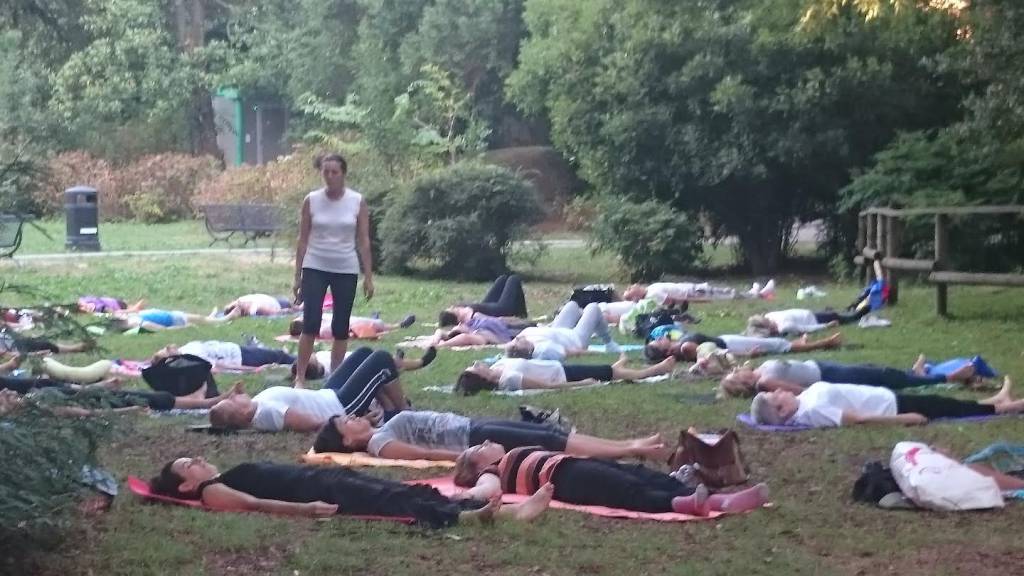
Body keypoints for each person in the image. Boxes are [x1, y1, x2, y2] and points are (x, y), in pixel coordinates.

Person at [149, 456, 553, 528]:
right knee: (391, 503)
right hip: (319, 493)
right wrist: (307, 511)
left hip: (323, 480)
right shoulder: (211, 492)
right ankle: (483, 516)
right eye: (188, 465)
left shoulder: (221, 477)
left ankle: (473, 501)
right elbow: (256, 505)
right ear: (187, 484)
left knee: (397, 489)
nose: (198, 460)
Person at [452, 441, 770, 517]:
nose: (487, 441)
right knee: (625, 490)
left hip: (575, 464)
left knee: (641, 474)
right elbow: (485, 491)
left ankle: (717, 499)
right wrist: (465, 498)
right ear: (477, 464)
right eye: (479, 447)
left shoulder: (511, 454)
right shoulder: (491, 472)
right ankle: (683, 503)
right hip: (563, 478)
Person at [292, 152, 374, 388]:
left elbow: (364, 240)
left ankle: (336, 378)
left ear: (343, 173)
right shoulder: (311, 200)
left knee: (340, 326)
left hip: (345, 266)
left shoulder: (357, 201)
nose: (329, 176)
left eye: (334, 172)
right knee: (311, 322)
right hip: (315, 264)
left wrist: (368, 277)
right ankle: (300, 377)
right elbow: (302, 240)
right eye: (325, 172)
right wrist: (297, 277)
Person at [312, 408, 670, 462]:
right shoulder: (378, 443)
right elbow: (419, 454)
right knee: (551, 441)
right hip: (473, 439)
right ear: (347, 441)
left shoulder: (377, 428)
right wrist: (470, 456)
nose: (356, 417)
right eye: (349, 422)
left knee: (549, 432)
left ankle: (629, 445)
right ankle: (631, 449)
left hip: (473, 426)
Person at [209, 348, 410, 432]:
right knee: (382, 359)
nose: (234, 396)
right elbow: (316, 424)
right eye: (232, 400)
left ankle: (388, 411)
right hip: (339, 406)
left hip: (327, 394)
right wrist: (353, 422)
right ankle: (405, 414)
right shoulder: (267, 413)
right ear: (242, 413)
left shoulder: (257, 405)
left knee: (363, 353)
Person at [750, 376, 1024, 428]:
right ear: (782, 410)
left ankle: (995, 399)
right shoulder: (813, 411)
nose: (781, 391)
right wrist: (905, 420)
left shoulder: (803, 400)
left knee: (944, 401)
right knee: (949, 408)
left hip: (885, 397)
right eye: (777, 396)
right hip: (893, 408)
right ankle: (1008, 407)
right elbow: (857, 419)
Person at [718, 355, 980, 398]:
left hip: (824, 366)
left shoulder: (759, 369)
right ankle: (952, 377)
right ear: (744, 382)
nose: (735, 369)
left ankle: (916, 373)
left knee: (877, 371)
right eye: (734, 374)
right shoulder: (764, 381)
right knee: (883, 377)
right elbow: (798, 389)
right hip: (829, 376)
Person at [454, 355, 677, 395]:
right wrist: (581, 384)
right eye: (475, 368)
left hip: (558, 366)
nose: (476, 363)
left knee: (607, 369)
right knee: (610, 373)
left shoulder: (499, 366)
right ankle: (654, 370)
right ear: (483, 378)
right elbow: (546, 387)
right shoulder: (508, 380)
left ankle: (619, 364)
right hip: (563, 375)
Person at [504, 301, 621, 362]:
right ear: (527, 350)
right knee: (593, 308)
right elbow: (573, 352)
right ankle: (609, 343)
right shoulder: (544, 349)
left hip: (557, 330)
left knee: (572, 305)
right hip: (575, 339)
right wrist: (602, 354)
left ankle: (588, 321)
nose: (518, 338)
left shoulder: (525, 336)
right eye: (517, 343)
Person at [645, 331, 842, 362]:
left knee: (775, 344)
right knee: (778, 346)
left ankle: (800, 342)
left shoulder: (680, 342)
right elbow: (715, 354)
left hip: (726, 339)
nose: (661, 337)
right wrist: (746, 355)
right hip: (731, 345)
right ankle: (826, 343)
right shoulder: (686, 347)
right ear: (665, 350)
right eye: (658, 341)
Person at [438, 274, 528, 327]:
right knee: (513, 279)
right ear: (456, 318)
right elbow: (492, 321)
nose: (453, 307)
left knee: (503, 278)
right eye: (452, 309)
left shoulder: (461, 309)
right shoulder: (469, 319)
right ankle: (521, 313)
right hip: (502, 309)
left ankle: (521, 313)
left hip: (489, 305)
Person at [152, 340, 298, 373]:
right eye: (166, 351)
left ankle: (300, 360)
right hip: (241, 357)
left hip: (237, 350)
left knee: (276, 355)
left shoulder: (185, 350)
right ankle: (307, 362)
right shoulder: (191, 358)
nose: (168, 347)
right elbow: (220, 366)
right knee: (279, 356)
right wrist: (253, 370)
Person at [622, 280, 775, 305]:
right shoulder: (651, 295)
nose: (631, 285)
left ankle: (753, 293)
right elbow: (673, 300)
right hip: (693, 293)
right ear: (635, 296)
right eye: (629, 289)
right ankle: (758, 294)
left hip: (691, 288)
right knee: (726, 294)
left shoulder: (651, 288)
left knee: (724, 291)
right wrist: (697, 300)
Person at [744, 307, 867, 337]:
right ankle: (862, 312)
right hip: (813, 320)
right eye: (767, 322)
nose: (768, 319)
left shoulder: (770, 316)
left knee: (832, 313)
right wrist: (826, 326)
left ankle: (860, 311)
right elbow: (804, 329)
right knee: (839, 317)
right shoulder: (784, 327)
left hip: (809, 313)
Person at [288, 313, 416, 341]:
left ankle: (375, 318)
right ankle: (399, 325)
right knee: (377, 325)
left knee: (375, 323)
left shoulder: (318, 317)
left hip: (351, 320)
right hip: (354, 326)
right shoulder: (323, 330)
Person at [112, 308, 228, 332]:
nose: (121, 314)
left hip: (170, 315)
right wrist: (183, 328)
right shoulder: (135, 322)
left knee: (199, 318)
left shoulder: (130, 318)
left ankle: (211, 319)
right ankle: (222, 320)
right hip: (172, 319)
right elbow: (162, 329)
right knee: (199, 318)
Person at [220, 294, 295, 320]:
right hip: (279, 303)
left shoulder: (241, 300)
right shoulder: (253, 309)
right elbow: (275, 312)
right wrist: (289, 311)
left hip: (276, 300)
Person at [77, 296, 145, 314]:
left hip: (115, 305)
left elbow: (108, 310)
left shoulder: (85, 301)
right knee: (127, 308)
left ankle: (134, 309)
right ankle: (135, 308)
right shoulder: (84, 300)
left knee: (117, 312)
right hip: (113, 302)